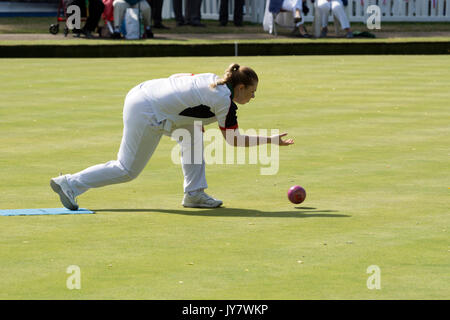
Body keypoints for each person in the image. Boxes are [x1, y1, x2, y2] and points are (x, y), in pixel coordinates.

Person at [50, 64, 294, 210]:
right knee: (127, 169)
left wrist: (187, 117)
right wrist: (271, 140)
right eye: (252, 93)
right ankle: (70, 183)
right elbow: (234, 140)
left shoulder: (212, 79)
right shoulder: (224, 101)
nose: (252, 98)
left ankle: (194, 193)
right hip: (146, 110)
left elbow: (179, 77)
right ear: (239, 88)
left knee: (193, 133)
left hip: (143, 91)